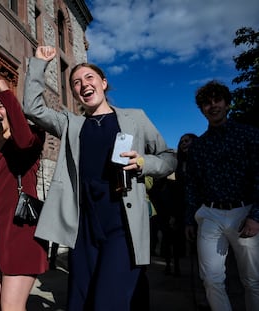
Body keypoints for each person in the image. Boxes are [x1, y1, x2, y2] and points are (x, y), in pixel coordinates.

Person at [23, 46, 176, 310]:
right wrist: (39, 63)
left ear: (103, 83)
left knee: (108, 301)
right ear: (74, 93)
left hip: (122, 224)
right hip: (83, 227)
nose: (83, 85)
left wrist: (143, 163)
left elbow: (169, 157)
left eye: (89, 78)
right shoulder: (72, 124)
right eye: (76, 83)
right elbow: (32, 108)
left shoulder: (134, 118)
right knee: (80, 301)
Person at [0, 79, 48, 311]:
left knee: (11, 306)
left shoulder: (30, 140)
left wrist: (6, 93)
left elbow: (23, 139)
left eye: (0, 106)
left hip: (21, 234)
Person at [185, 80, 259, 311]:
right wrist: (190, 217)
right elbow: (192, 185)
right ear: (202, 109)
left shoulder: (249, 135)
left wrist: (256, 215)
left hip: (244, 212)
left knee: (253, 280)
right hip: (210, 215)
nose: (212, 106)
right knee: (211, 279)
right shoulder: (199, 146)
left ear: (227, 103)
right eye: (206, 103)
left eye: (217, 100)